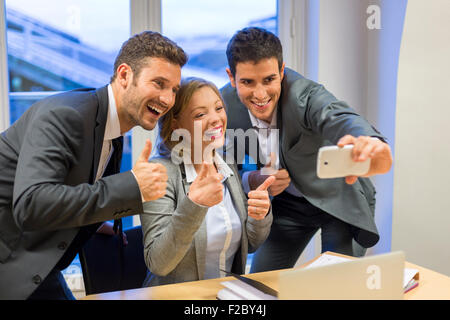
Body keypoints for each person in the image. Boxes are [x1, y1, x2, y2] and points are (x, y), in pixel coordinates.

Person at [0, 31, 187, 300]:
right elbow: (31, 204)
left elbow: (71, 185)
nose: (168, 99)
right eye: (159, 83)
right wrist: (132, 186)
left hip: (38, 264)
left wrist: (95, 222)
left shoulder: (112, 130)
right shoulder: (67, 114)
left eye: (173, 90)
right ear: (124, 75)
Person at [220, 27, 393, 273]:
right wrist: (253, 179)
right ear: (231, 76)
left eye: (269, 79)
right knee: (261, 282)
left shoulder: (307, 95)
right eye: (247, 82)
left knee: (335, 285)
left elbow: (338, 115)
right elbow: (226, 165)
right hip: (287, 208)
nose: (260, 94)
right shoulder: (223, 105)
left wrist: (369, 140)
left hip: (338, 199)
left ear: (281, 71)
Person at [140, 77, 274, 286]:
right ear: (176, 125)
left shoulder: (226, 163)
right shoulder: (160, 172)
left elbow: (251, 245)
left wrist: (260, 215)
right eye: (200, 114)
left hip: (225, 293)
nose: (215, 119)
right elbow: (159, 263)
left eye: (219, 108)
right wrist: (195, 204)